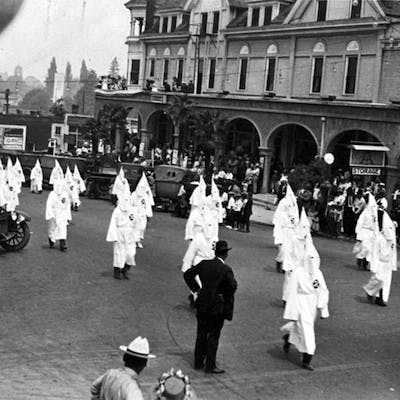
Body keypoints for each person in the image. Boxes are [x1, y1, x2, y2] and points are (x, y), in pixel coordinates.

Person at [183, 240, 237, 373]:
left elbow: (188, 275)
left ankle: (198, 362)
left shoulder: (204, 264)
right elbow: (233, 285)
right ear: (226, 254)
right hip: (217, 306)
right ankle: (210, 365)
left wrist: (197, 289)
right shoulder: (226, 269)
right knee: (213, 335)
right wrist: (223, 295)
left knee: (201, 333)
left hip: (202, 303)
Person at [281, 229, 329, 371]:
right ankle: (307, 359)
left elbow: (323, 290)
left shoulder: (317, 274)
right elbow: (291, 292)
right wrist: (291, 312)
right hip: (300, 303)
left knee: (304, 328)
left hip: (312, 304)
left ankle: (288, 338)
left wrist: (323, 309)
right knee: (307, 332)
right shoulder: (298, 273)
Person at [90, 336, 156, 400]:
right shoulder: (132, 387)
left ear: (124, 358)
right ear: (143, 365)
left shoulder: (110, 373)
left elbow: (94, 387)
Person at [362, 193, 397, 306]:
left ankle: (377, 296)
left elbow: (393, 250)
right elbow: (375, 254)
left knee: (384, 280)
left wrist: (392, 263)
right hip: (381, 260)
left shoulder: (390, 238)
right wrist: (374, 265)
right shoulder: (380, 238)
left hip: (387, 261)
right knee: (379, 278)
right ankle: (373, 293)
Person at [106, 194, 139, 280]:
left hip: (130, 234)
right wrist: (113, 235)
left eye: (128, 200)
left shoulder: (133, 210)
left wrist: (136, 236)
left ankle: (125, 269)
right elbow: (113, 223)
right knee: (119, 252)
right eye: (125, 200)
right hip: (120, 233)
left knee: (131, 253)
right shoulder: (117, 211)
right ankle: (117, 271)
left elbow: (136, 224)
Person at [45, 179, 71, 251]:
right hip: (54, 213)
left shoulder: (65, 194)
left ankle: (63, 244)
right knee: (52, 228)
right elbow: (49, 205)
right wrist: (50, 214)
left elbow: (67, 205)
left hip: (62, 213)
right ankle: (51, 240)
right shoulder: (52, 194)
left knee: (62, 228)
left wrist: (68, 216)